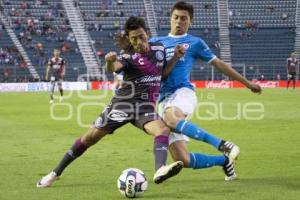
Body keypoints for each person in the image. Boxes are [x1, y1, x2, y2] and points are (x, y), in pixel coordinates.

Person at [37, 16, 185, 188]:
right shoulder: (128, 56)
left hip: (145, 107)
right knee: (89, 138)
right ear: (129, 39)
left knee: (163, 129)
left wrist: (175, 57)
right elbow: (113, 68)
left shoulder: (158, 48)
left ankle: (160, 169)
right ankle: (55, 173)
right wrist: (109, 61)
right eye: (134, 38)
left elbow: (163, 75)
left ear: (147, 33)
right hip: (123, 104)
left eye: (141, 36)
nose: (138, 41)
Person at [150, 1, 262, 180]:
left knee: (171, 119)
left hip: (183, 93)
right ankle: (224, 161)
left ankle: (222, 144)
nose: (179, 22)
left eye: (184, 19)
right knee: (182, 159)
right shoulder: (155, 43)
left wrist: (247, 83)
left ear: (190, 22)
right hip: (163, 99)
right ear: (170, 19)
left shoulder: (195, 43)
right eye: (176, 18)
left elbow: (219, 64)